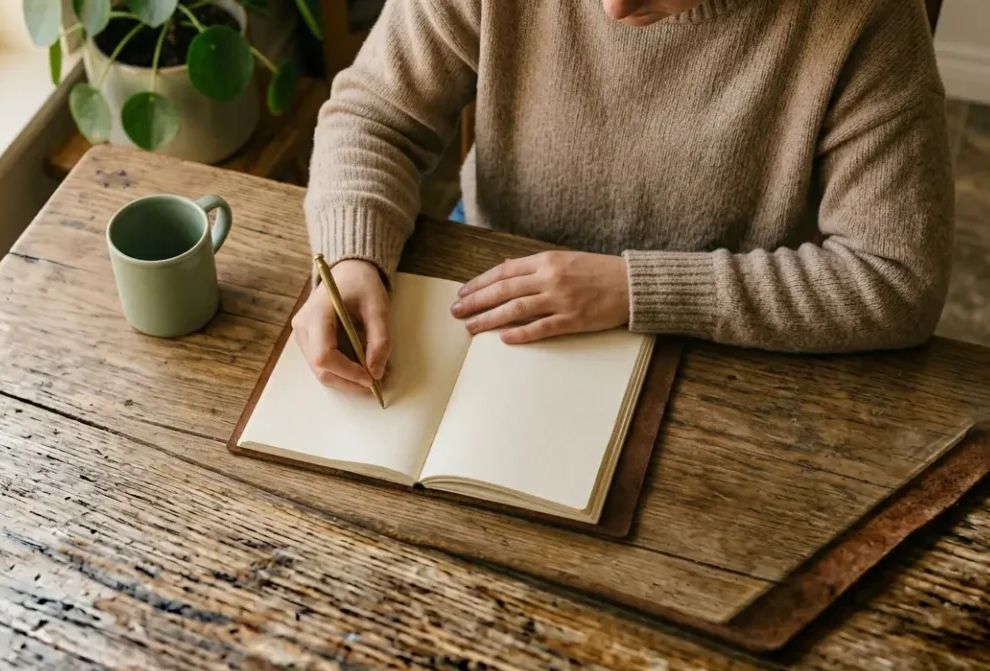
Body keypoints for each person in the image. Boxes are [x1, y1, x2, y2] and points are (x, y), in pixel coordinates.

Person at [293, 0, 953, 395]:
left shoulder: (867, 16)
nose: (612, 8)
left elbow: (898, 277)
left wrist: (635, 289)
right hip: (496, 279)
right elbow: (375, 114)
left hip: (720, 335)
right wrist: (350, 258)